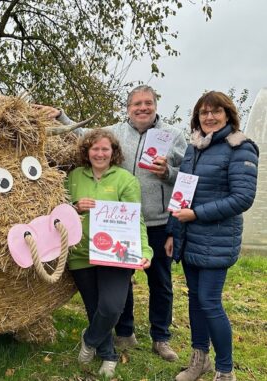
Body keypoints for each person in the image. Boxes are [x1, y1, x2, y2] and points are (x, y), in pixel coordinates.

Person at [48, 85, 187, 361]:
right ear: (128, 108)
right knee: (122, 282)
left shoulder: (173, 135)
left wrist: (168, 172)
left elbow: (187, 173)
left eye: (148, 103)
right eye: (137, 104)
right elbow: (86, 136)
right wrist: (61, 115)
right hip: (117, 226)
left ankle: (161, 338)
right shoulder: (117, 133)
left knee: (160, 282)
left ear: (155, 105)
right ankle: (124, 332)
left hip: (157, 221)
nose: (142, 108)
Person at [165, 91, 258, 381]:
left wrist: (198, 214)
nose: (209, 117)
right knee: (195, 300)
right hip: (191, 238)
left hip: (216, 239)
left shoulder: (241, 148)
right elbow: (182, 191)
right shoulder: (195, 147)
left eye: (216, 111)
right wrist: (172, 231)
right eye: (204, 112)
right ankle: (199, 360)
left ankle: (225, 370)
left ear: (228, 115)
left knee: (209, 301)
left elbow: (243, 198)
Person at [66, 129, 153, 377]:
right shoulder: (73, 177)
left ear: (113, 152)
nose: (100, 153)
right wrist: (75, 207)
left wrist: (145, 249)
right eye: (95, 148)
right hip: (81, 253)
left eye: (105, 149)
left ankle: (90, 340)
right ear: (87, 151)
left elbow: (137, 220)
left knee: (112, 307)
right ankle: (109, 355)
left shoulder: (126, 180)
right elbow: (58, 212)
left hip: (116, 254)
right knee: (94, 308)